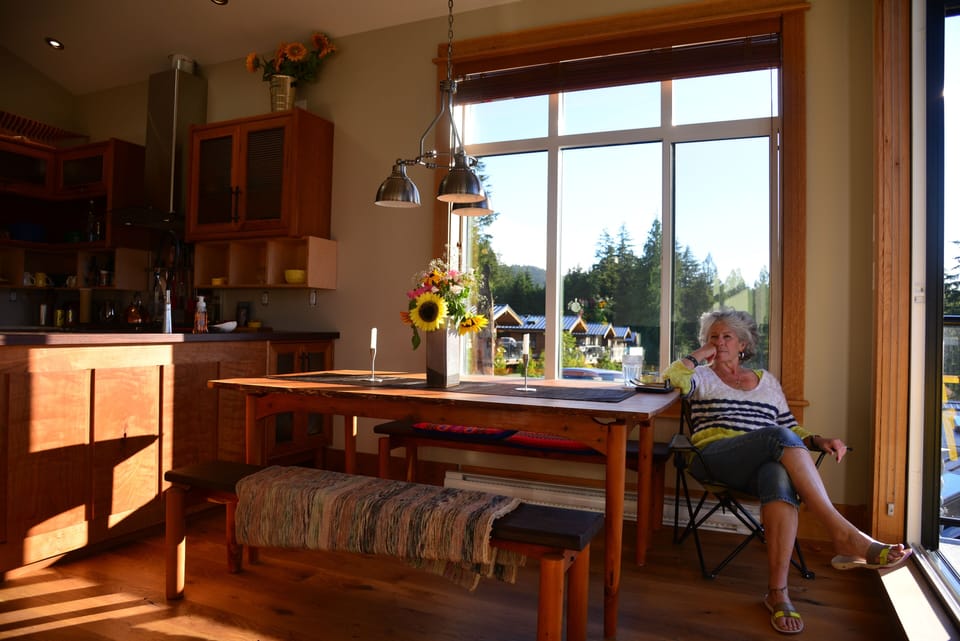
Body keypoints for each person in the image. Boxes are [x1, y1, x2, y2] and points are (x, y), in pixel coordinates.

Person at [663, 308, 911, 635]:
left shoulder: (767, 382)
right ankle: (843, 533)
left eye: (727, 337)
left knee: (777, 476)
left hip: (764, 456)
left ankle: (777, 593)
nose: (719, 342)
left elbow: (789, 426)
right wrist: (698, 356)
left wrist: (819, 439)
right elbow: (667, 380)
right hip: (714, 457)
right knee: (777, 439)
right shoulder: (701, 377)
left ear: (743, 344)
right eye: (713, 337)